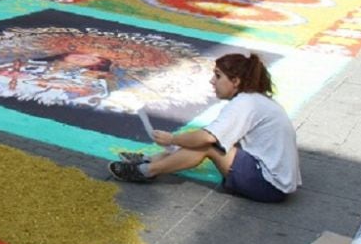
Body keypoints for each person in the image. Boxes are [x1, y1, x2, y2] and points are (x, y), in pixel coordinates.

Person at [108, 53, 301, 203]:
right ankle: (148, 161)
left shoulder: (245, 103)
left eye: (218, 76)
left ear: (236, 82)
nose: (212, 81)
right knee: (206, 140)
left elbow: (207, 138)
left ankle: (147, 170)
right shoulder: (254, 100)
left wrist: (172, 140)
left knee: (207, 144)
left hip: (268, 185)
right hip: (274, 181)